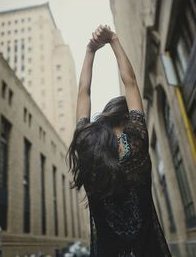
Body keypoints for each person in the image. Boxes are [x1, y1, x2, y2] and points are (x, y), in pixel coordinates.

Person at [67, 25, 172, 257]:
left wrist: (90, 50)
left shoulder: (87, 148)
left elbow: (83, 92)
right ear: (127, 118)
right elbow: (131, 83)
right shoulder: (137, 142)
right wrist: (113, 39)